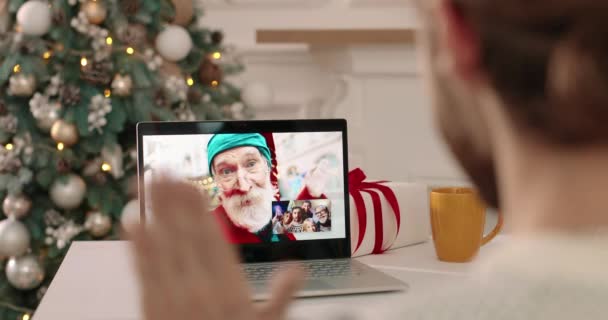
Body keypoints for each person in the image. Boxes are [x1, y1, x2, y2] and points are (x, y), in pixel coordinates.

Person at [128, 0, 608, 318]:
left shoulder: (300, 215)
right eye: (224, 171)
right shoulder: (208, 230)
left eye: (249, 165)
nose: (239, 182)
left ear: (454, 33)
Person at [206, 133, 324, 243]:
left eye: (251, 164)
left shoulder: (275, 212)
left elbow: (317, 218)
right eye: (226, 172)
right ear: (216, 181)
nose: (244, 187)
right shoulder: (205, 230)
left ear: (267, 168)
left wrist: (312, 192)